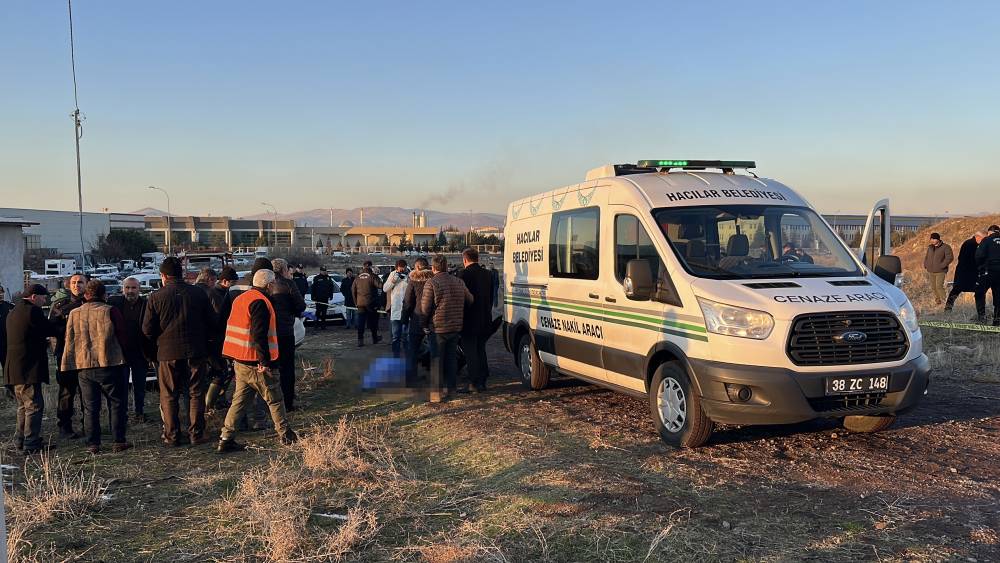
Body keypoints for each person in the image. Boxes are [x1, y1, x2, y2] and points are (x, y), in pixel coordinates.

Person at [217, 269, 297, 453]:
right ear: (269, 285)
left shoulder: (241, 298)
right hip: (255, 361)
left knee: (240, 401)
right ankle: (285, 434)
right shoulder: (260, 302)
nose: (275, 286)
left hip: (240, 360)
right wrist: (265, 362)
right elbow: (259, 334)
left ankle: (225, 438)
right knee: (275, 398)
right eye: (274, 283)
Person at [142, 257, 216, 446]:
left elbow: (147, 330)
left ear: (163, 276)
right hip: (196, 350)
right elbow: (212, 323)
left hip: (167, 353)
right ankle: (196, 434)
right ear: (182, 274)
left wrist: (152, 352)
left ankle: (172, 435)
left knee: (169, 395)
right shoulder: (198, 293)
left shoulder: (156, 297)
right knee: (196, 393)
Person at [62, 280, 132, 454]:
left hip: (84, 365)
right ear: (104, 295)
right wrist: (127, 357)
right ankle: (118, 441)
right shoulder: (110, 311)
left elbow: (68, 339)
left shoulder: (74, 313)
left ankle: (93, 443)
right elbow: (122, 335)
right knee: (116, 403)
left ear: (86, 295)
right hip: (110, 362)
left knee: (90, 407)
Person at [4, 284, 59, 454]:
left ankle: (20, 441)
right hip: (28, 368)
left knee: (23, 406)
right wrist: (58, 319)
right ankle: (31, 443)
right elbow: (49, 329)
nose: (44, 301)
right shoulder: (32, 311)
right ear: (34, 297)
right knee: (34, 405)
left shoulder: (13, 312)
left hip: (14, 368)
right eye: (43, 298)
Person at [420, 254, 473, 402]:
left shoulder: (431, 283)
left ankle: (436, 393)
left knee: (437, 360)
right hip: (455, 326)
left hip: (437, 328)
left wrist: (424, 325)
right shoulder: (458, 281)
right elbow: (470, 299)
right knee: (451, 360)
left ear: (433, 267)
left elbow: (425, 308)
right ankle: (452, 390)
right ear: (446, 266)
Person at [49, 272, 88, 439]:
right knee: (66, 393)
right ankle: (65, 427)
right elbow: (51, 330)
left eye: (80, 282)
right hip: (66, 355)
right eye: (73, 282)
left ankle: (89, 425)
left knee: (88, 393)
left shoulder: (92, 303)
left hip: (87, 355)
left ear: (87, 284)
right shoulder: (59, 305)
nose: (76, 285)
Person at [108, 277, 152, 422]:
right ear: (122, 289)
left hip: (140, 351)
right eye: (127, 288)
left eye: (133, 288)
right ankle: (123, 414)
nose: (130, 291)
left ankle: (139, 412)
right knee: (122, 386)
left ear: (139, 289)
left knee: (140, 385)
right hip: (121, 352)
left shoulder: (146, 304)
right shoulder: (115, 303)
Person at [269, 259, 306, 411]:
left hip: (268, 331)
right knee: (287, 368)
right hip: (284, 330)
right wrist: (294, 312)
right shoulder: (288, 284)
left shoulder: (266, 284)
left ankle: (270, 401)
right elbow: (300, 305)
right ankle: (288, 402)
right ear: (284, 270)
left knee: (270, 367)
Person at [458, 248, 493, 392]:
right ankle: (483, 380)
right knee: (481, 349)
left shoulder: (463, 274)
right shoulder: (488, 274)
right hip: (485, 317)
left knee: (470, 351)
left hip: (469, 318)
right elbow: (491, 296)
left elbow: (462, 299)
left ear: (465, 260)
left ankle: (473, 382)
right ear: (477, 258)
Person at [206, 266, 240, 409]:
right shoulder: (216, 294)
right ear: (225, 281)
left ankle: (219, 399)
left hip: (222, 338)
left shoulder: (222, 293)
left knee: (225, 372)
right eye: (233, 282)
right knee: (221, 372)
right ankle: (210, 404)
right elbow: (220, 318)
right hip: (217, 339)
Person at [402, 258, 434, 387]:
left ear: (417, 267)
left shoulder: (413, 281)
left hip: (416, 319)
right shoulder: (434, 280)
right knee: (435, 349)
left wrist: (405, 318)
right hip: (432, 319)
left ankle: (411, 380)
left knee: (413, 351)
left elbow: (408, 302)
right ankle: (436, 380)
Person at [945, 231, 988, 314]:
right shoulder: (970, 244)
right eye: (984, 239)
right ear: (978, 237)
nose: (985, 241)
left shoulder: (975, 244)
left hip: (969, 273)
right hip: (965, 273)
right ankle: (947, 309)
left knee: (976, 291)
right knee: (957, 290)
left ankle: (981, 313)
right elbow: (969, 259)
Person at [383, 259, 409, 357]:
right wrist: (394, 281)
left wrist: (407, 278)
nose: (402, 270)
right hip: (396, 309)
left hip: (406, 310)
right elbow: (385, 288)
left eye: (404, 267)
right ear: (396, 267)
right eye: (400, 268)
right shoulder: (393, 274)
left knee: (406, 336)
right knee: (395, 336)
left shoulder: (410, 274)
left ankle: (407, 357)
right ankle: (396, 356)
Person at [352, 262, 381, 347]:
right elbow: (380, 285)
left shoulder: (357, 277)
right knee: (373, 321)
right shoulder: (372, 276)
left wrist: (356, 303)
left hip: (360, 303)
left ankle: (360, 340)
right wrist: (377, 275)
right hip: (371, 303)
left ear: (363, 267)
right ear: (370, 266)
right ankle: (375, 338)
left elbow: (353, 290)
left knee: (361, 322)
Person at [975, 225, 1000, 325]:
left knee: (979, 293)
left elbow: (979, 255)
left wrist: (980, 266)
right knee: (998, 297)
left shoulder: (987, 240)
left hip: (988, 271)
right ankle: (997, 321)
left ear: (990, 232)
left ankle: (982, 318)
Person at [923, 233, 954, 306]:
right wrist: (926, 264)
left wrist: (942, 265)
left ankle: (944, 302)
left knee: (939, 286)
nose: (932, 240)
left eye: (934, 239)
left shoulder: (946, 247)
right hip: (931, 270)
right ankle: (938, 302)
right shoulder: (930, 247)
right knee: (933, 287)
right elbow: (927, 257)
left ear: (938, 239)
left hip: (941, 271)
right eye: (931, 239)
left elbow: (950, 258)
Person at [310, 266, 336, 331]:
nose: (324, 272)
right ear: (320, 271)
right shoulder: (316, 278)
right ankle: (316, 325)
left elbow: (331, 287)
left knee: (324, 313)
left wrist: (331, 295)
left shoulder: (328, 278)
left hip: (325, 298)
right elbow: (313, 288)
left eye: (325, 271)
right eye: (323, 271)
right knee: (318, 312)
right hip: (318, 298)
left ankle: (323, 325)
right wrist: (313, 297)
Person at [0, 285, 13, 374]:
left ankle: (8, 386)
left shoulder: (9, 307)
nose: (0, 294)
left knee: (7, 367)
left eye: (1, 292)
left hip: (6, 342)